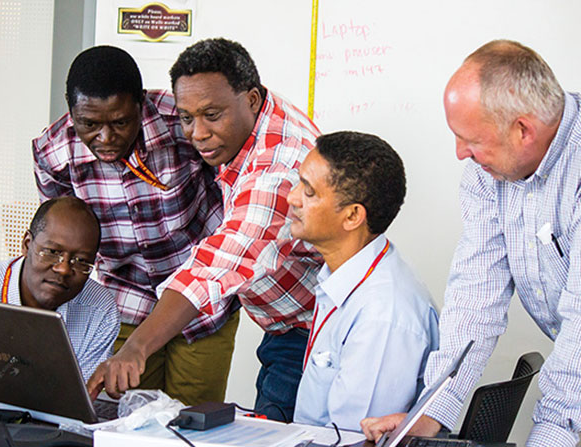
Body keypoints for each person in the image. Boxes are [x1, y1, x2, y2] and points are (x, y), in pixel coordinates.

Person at [87, 37, 323, 422]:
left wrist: (137, 347)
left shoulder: (276, 170)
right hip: (284, 320)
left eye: (212, 115)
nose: (197, 133)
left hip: (307, 331)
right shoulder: (252, 106)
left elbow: (220, 261)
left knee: (275, 437)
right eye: (186, 117)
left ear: (250, 100)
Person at [361, 40, 581, 447]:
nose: (460, 152)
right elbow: (475, 298)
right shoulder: (488, 175)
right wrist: (426, 416)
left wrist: (549, 435)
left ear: (523, 130)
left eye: (469, 139)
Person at [32, 45, 238, 405]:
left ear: (140, 103)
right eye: (89, 124)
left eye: (121, 122)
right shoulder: (54, 155)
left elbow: (231, 189)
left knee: (193, 424)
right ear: (70, 109)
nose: (106, 138)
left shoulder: (183, 122)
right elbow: (62, 237)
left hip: (202, 304)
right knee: (126, 419)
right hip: (126, 301)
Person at [288, 131, 439, 431]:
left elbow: (353, 436)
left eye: (308, 191)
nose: (292, 197)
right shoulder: (350, 275)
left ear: (352, 216)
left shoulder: (382, 315)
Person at [0, 196, 120, 381]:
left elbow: (78, 403)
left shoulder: (100, 311)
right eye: (53, 252)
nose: (63, 269)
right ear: (26, 244)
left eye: (80, 261)